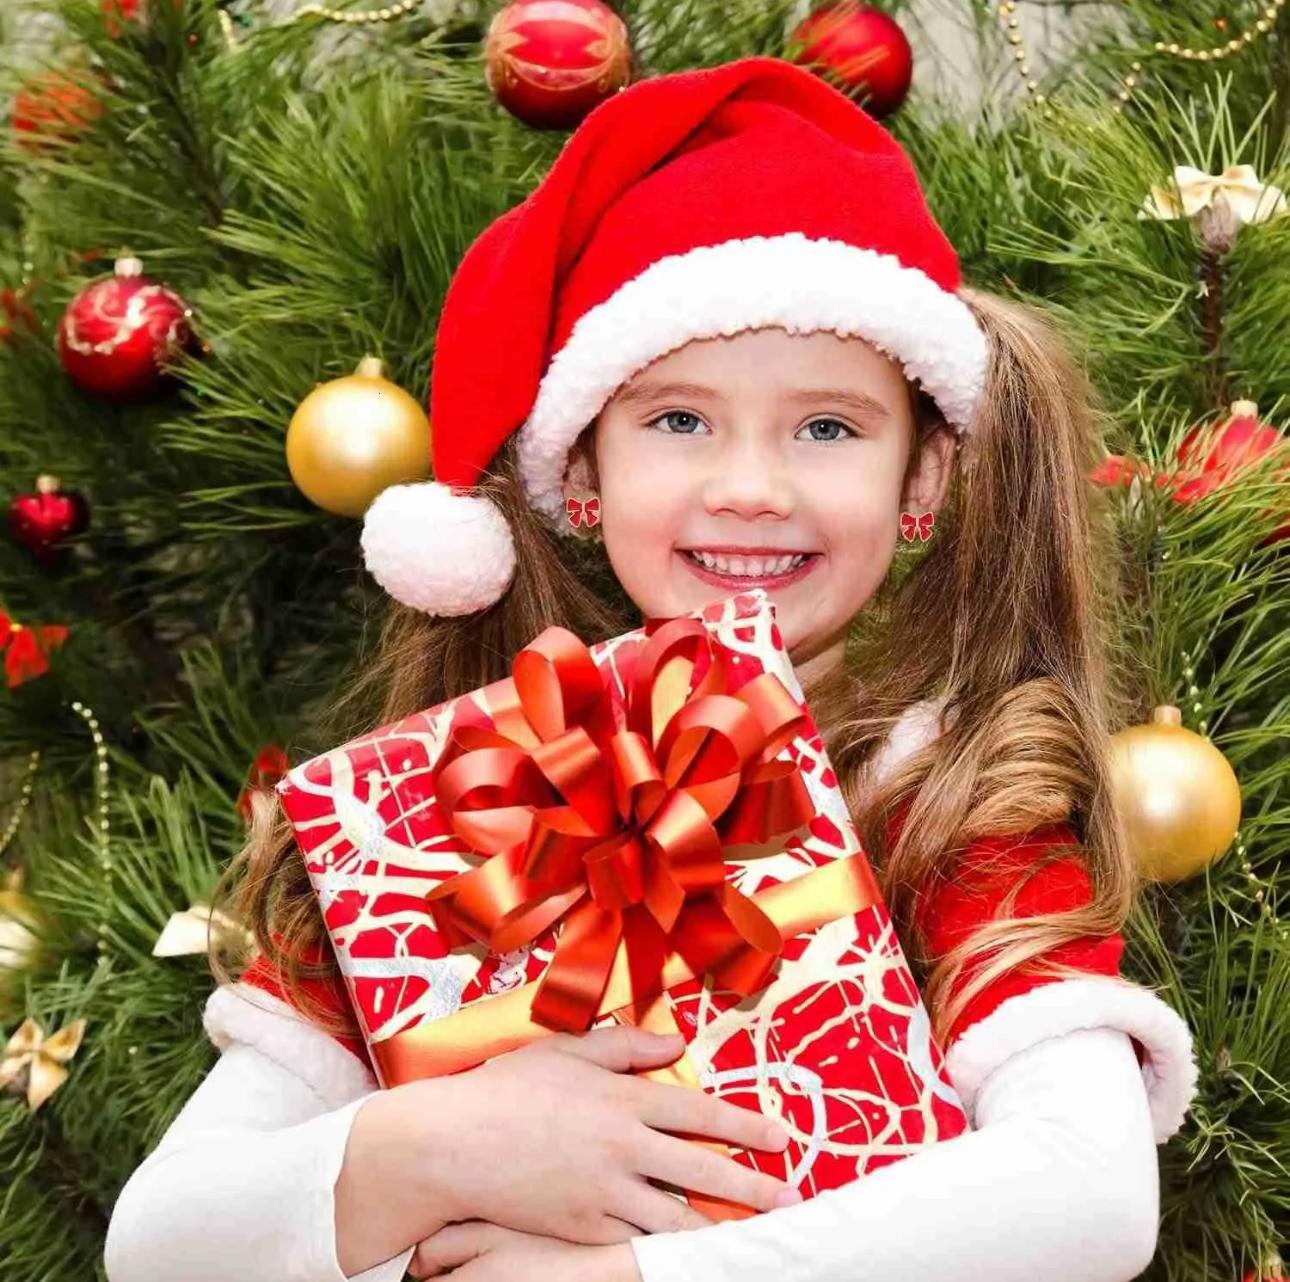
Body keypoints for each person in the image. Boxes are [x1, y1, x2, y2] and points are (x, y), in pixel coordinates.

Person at [104, 55, 1199, 1282]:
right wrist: (436, 1145)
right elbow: (161, 1243)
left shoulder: (953, 803)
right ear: (581, 471)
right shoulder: (431, 823)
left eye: (827, 427)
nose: (748, 486)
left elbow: (1092, 1195)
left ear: (922, 480)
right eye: (677, 420)